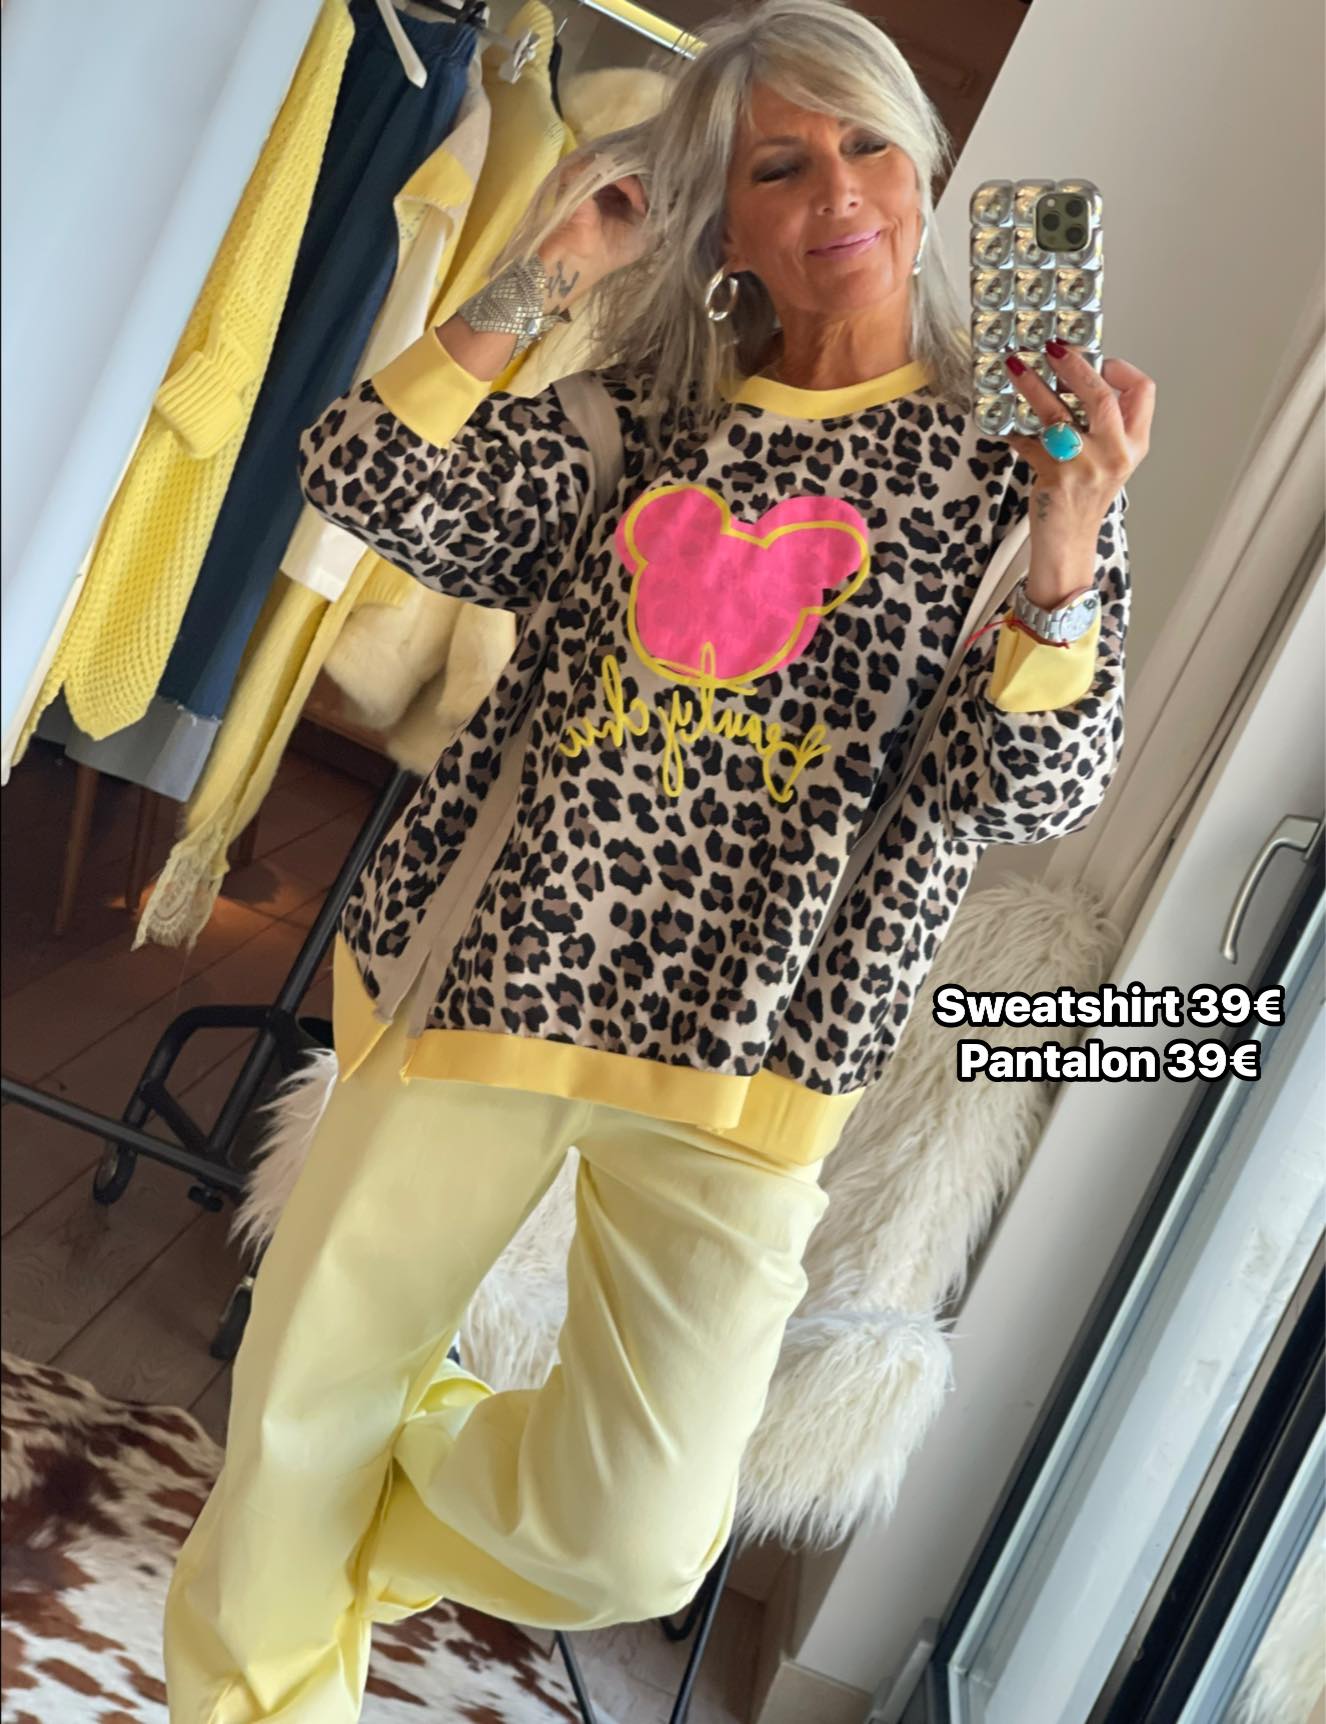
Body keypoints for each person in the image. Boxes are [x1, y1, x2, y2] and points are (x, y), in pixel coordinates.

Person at [164, 0, 1156, 1716]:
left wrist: (1067, 545)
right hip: (485, 971)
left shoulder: (1016, 477)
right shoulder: (639, 419)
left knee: (630, 1536)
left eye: (866, 143)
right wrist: (546, 271)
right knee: (304, 1399)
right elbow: (366, 475)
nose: (835, 191)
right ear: (726, 221)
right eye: (777, 165)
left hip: (759, 1052)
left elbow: (1020, 787)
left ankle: (346, 1508)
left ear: (924, 171)